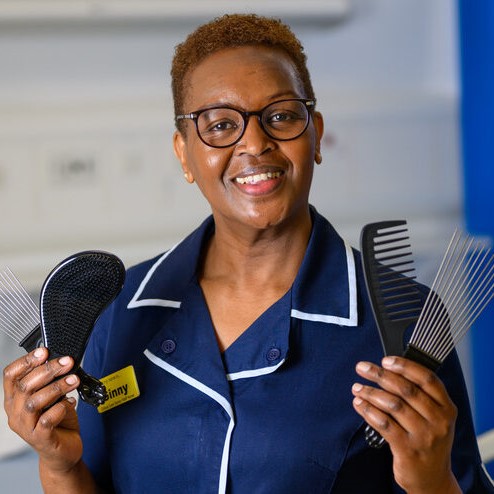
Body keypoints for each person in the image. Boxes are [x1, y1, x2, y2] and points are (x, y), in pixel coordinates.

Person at [3, 13, 493, 494]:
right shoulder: (121, 308)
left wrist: (432, 481)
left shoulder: (402, 321)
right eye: (219, 125)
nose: (255, 143)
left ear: (316, 133)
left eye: (280, 116)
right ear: (184, 153)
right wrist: (61, 467)